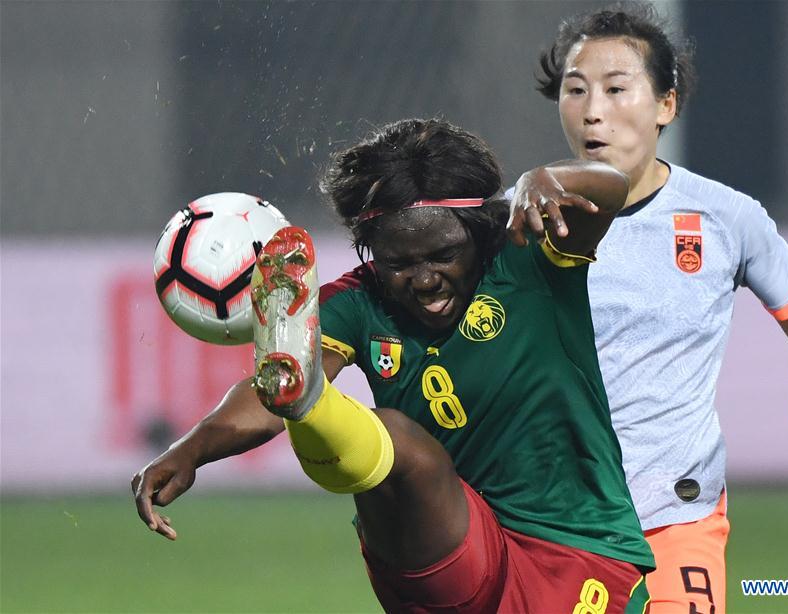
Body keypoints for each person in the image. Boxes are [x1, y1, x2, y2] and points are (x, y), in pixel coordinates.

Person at [134, 118, 656, 613]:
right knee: (395, 441)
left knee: (387, 437)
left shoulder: (530, 256)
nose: (424, 280)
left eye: (443, 254)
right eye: (398, 264)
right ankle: (311, 402)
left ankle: (314, 406)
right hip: (452, 552)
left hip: (580, 550)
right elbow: (262, 394)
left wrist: (547, 179)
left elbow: (611, 186)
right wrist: (191, 449)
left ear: (478, 230)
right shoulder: (361, 304)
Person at [505, 4, 788, 612]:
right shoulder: (518, 215)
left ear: (665, 105)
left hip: (677, 510)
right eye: (575, 90)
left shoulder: (728, 217)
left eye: (617, 89)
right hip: (549, 516)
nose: (593, 110)